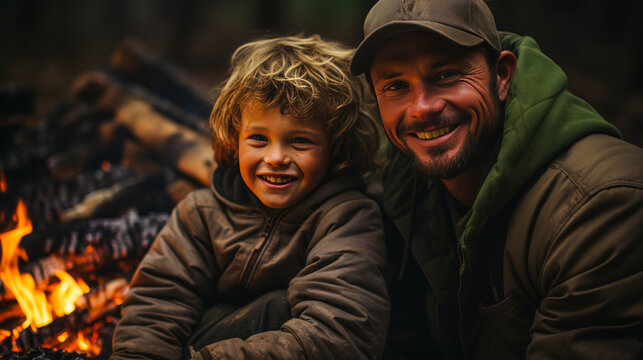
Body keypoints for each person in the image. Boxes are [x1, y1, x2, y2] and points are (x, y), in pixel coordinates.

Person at [350, 0, 643, 359]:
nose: (422, 107)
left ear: (502, 75)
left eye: (446, 75)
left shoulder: (601, 206)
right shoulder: (394, 186)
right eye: (396, 86)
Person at [110, 34, 390, 360]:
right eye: (258, 138)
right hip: (203, 341)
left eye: (299, 141)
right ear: (234, 138)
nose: (275, 157)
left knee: (279, 306)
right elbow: (157, 303)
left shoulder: (347, 219)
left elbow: (343, 334)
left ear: (335, 147)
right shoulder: (201, 214)